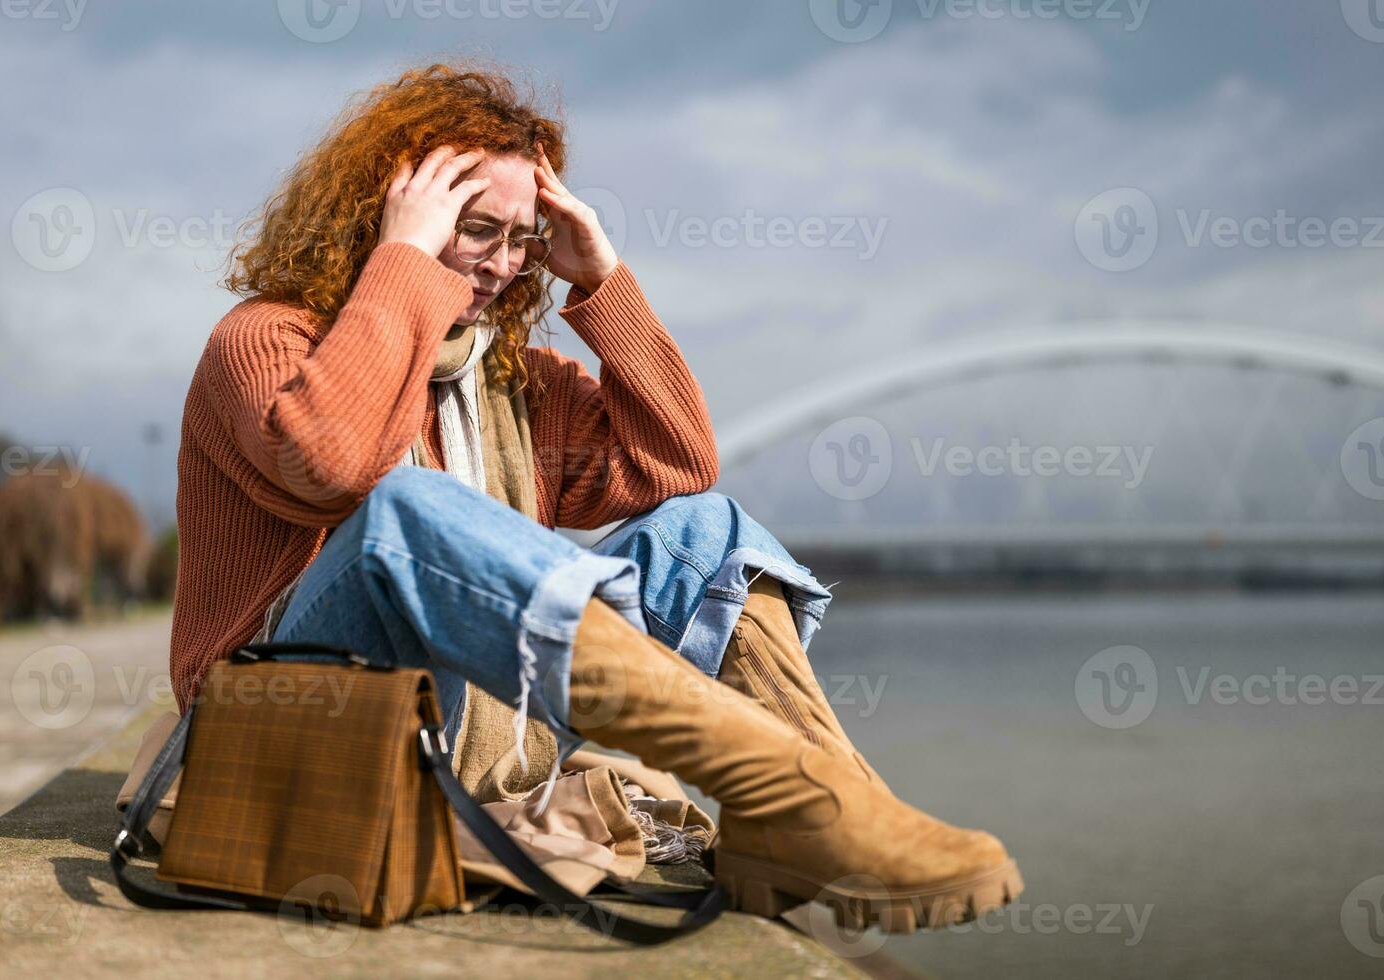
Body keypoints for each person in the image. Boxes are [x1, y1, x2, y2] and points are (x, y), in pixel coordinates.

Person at [170, 63, 1020, 932]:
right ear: (390, 213)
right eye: (475, 230)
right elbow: (338, 463)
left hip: (483, 733)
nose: (504, 264)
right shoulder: (266, 341)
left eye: (523, 237)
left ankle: (826, 815)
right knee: (407, 513)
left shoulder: (509, 381)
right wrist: (405, 263)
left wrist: (604, 279)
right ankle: (782, 784)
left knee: (704, 529)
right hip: (291, 731)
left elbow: (679, 460)